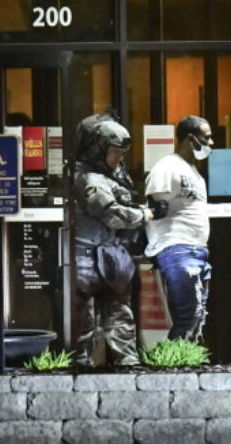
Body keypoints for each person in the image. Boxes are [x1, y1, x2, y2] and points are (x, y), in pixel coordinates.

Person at [70, 113, 161, 366]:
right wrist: (146, 214)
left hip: (110, 255)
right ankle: (81, 367)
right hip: (87, 258)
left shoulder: (108, 174)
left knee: (120, 317)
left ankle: (126, 363)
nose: (120, 158)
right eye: (115, 151)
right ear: (97, 149)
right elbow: (112, 214)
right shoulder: (88, 179)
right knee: (83, 322)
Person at [144, 115, 214, 342]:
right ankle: (175, 368)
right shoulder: (168, 168)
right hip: (177, 248)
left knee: (197, 316)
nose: (211, 143)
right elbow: (154, 209)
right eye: (207, 138)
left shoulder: (192, 170)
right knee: (189, 315)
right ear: (190, 139)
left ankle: (189, 364)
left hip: (195, 249)